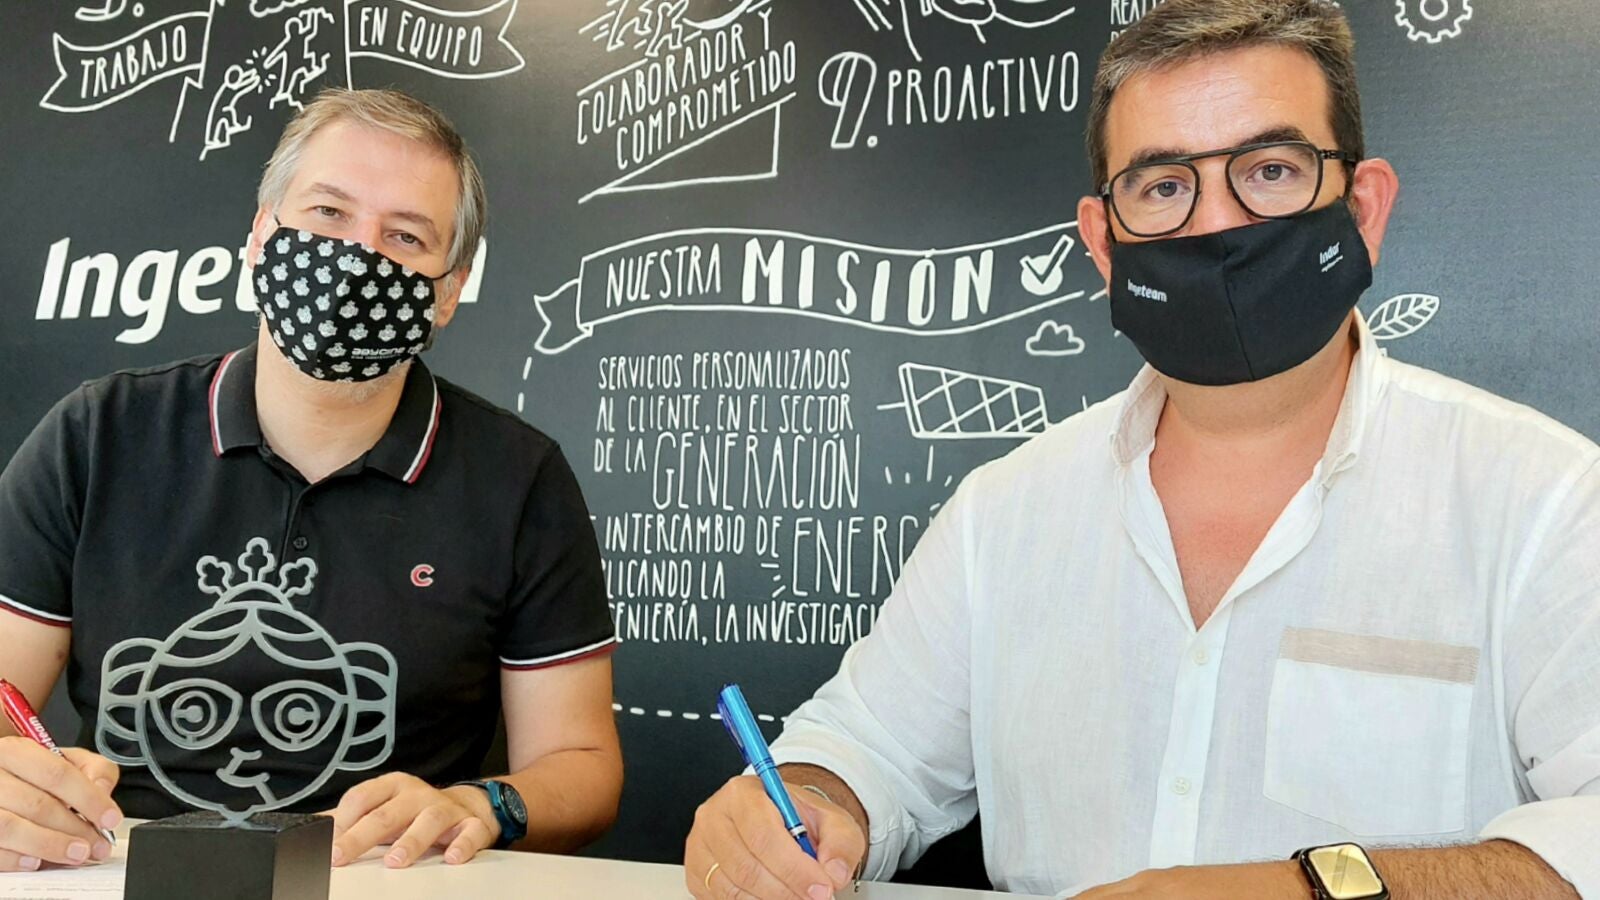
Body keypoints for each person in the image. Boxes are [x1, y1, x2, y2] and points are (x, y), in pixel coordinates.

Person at [683, 2, 1600, 898]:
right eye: (1163, 187)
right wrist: (802, 806)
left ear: (1362, 209)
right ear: (1103, 244)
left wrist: (1297, 890)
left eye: (1271, 170)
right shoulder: (1002, 517)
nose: (1216, 225)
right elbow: (864, 750)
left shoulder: (1545, 504)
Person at [0, 89, 622, 874]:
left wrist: (482, 805)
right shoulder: (97, 436)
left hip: (389, 880)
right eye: (328, 213)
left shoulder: (519, 479)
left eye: (404, 236)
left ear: (449, 291)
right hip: (114, 869)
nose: (357, 257)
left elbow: (582, 767)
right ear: (261, 234)